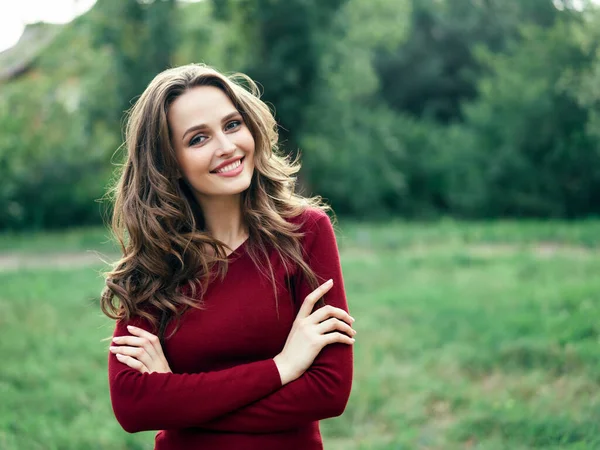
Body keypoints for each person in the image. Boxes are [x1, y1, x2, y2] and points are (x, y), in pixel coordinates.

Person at [100, 63, 355, 450]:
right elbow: (134, 405)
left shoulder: (305, 233)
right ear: (170, 162)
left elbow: (327, 391)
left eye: (232, 124)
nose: (227, 147)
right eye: (198, 139)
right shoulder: (154, 261)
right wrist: (281, 367)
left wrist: (178, 400)